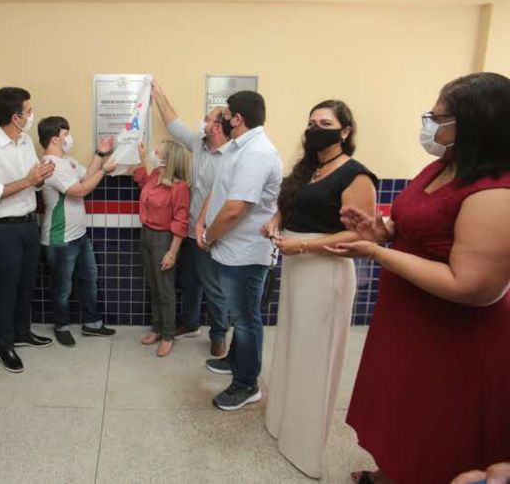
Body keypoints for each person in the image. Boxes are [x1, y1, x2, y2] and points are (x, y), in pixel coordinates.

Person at [327, 73, 510, 484]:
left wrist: (378, 253)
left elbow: (473, 287)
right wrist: (382, 230)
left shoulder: (496, 193)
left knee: (438, 424)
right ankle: (392, 472)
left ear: (473, 123)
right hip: (409, 318)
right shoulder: (442, 167)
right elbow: (423, 226)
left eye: (439, 116)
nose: (429, 123)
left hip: (454, 334)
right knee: (404, 409)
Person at [259, 100, 377, 478]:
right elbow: (288, 205)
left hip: (325, 270)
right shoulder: (308, 168)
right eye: (311, 122)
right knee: (292, 346)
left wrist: (304, 245)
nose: (314, 129)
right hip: (296, 265)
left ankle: (305, 446)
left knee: (316, 357)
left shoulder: (356, 176)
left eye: (325, 123)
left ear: (345, 131)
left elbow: (361, 233)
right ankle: (283, 422)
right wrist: (277, 222)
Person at [197, 90, 282, 411]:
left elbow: (235, 209)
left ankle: (247, 384)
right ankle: (235, 360)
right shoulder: (238, 148)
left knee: (246, 319)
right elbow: (220, 192)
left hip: (245, 254)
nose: (220, 119)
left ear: (238, 118)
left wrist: (208, 236)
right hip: (229, 249)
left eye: (225, 114)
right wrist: (203, 222)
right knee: (238, 314)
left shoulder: (258, 153)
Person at [0, 87, 55, 373]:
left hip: (28, 223)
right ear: (15, 116)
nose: (32, 116)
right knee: (6, 288)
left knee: (26, 284)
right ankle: (4, 345)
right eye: (28, 112)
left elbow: (33, 181)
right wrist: (28, 179)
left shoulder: (25, 141)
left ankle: (23, 331)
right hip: (0, 228)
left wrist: (41, 177)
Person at [151, 80, 232, 357]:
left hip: (212, 234)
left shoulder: (232, 158)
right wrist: (159, 96)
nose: (202, 122)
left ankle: (219, 334)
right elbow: (174, 123)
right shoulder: (199, 144)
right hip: (187, 231)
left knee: (212, 285)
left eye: (207, 119)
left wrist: (210, 234)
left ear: (218, 127)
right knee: (189, 281)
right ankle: (191, 322)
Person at [37, 115, 118, 347]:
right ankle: (61, 326)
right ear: (54, 138)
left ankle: (92, 324)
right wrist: (104, 171)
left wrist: (100, 155)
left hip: (79, 236)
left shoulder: (67, 161)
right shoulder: (49, 166)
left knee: (89, 279)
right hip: (60, 239)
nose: (69, 138)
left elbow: (84, 175)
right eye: (66, 134)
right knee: (63, 289)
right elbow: (80, 190)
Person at [134, 139, 191, 357]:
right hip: (146, 234)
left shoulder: (179, 187)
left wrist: (172, 252)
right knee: (153, 285)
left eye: (159, 151)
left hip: (164, 239)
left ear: (169, 158)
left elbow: (181, 221)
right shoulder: (156, 176)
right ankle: (156, 328)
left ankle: (168, 335)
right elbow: (141, 179)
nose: (155, 152)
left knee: (165, 289)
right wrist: (141, 158)